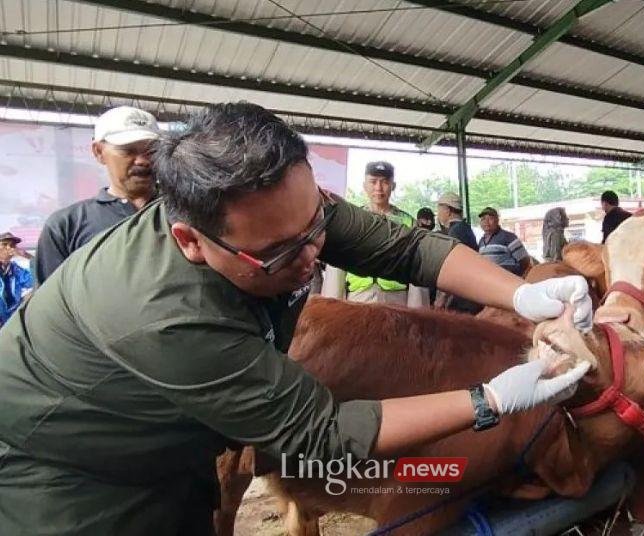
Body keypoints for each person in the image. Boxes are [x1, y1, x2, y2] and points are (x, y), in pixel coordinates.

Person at [0, 103, 592, 534]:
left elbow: (406, 249)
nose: (313, 255)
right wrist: (490, 399)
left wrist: (522, 297)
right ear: (191, 241)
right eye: (284, 252)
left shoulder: (275, 207)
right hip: (69, 474)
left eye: (317, 227)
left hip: (173, 451)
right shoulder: (165, 317)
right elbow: (325, 433)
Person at [34, 106, 160, 284]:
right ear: (98, 152)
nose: (143, 160)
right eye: (128, 150)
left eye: (152, 150)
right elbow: (47, 306)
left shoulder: (187, 213)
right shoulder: (66, 225)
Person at [344, 161, 416, 305]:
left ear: (393, 186)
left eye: (384, 182)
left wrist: (417, 309)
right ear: (364, 185)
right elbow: (338, 264)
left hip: (397, 297)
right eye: (373, 182)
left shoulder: (407, 222)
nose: (378, 188)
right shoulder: (352, 219)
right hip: (359, 295)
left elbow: (417, 266)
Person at [434, 192, 481, 313]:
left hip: (462, 298)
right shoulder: (465, 228)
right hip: (472, 292)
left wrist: (442, 298)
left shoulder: (455, 231)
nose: (438, 214)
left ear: (447, 210)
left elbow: (453, 267)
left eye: (439, 209)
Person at [477, 206, 530, 276]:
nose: (486, 222)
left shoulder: (509, 237)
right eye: (483, 219)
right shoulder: (481, 241)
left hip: (508, 281)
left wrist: (515, 276)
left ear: (497, 220)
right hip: (490, 281)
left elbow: (525, 260)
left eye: (490, 218)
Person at [0, 232, 33, 327]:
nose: (9, 248)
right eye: (4, 244)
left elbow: (39, 278)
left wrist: (27, 256)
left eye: (12, 245)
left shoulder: (15, 270)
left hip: (11, 320)